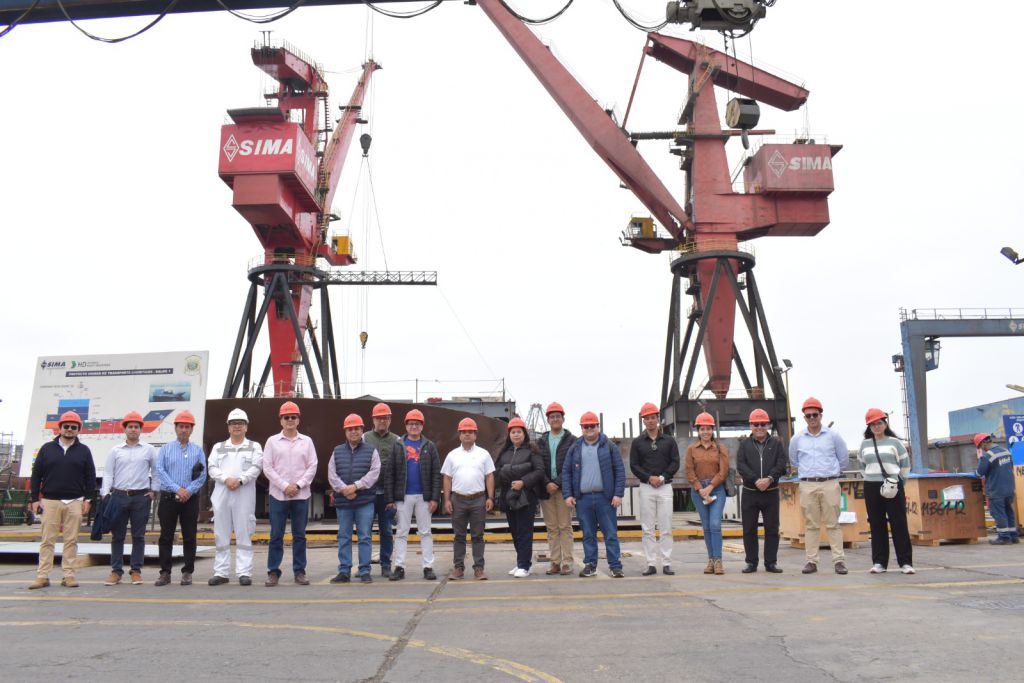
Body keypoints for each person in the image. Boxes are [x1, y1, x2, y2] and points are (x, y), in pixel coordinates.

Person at [28, 411, 96, 589]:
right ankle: (43, 576)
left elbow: (90, 476)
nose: (69, 429)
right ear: (60, 428)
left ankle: (68, 575)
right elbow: (36, 475)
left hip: (74, 501)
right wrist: (34, 498)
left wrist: (88, 499)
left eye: (74, 427)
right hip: (50, 501)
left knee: (71, 540)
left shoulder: (84, 451)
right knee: (47, 540)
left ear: (78, 430)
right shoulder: (47, 449)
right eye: (66, 426)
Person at [789, 397, 850, 575]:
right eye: (808, 415)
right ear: (804, 418)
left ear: (821, 415)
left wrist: (830, 472)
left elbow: (843, 459)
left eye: (815, 414)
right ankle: (811, 561)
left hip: (830, 482)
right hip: (808, 484)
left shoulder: (833, 436)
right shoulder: (797, 439)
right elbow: (794, 460)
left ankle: (839, 561)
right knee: (811, 524)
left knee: (833, 524)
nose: (812, 418)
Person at [562, 411, 625, 578]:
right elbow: (566, 472)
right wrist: (568, 495)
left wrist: (618, 494)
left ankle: (615, 566)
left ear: (598, 427)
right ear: (581, 428)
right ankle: (590, 565)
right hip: (583, 499)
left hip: (606, 498)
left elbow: (619, 470)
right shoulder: (575, 448)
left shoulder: (609, 446)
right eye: (586, 426)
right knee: (588, 534)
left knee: (610, 533)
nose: (589, 429)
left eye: (592, 426)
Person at [262, 401, 318, 586]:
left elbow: (312, 466)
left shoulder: (307, 442)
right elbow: (267, 467)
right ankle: (273, 571)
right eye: (286, 417)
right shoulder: (272, 441)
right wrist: (285, 486)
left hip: (301, 496)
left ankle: (299, 571)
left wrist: (298, 485)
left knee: (299, 535)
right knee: (276, 535)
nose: (290, 420)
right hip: (278, 495)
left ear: (298, 420)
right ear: (281, 420)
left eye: (293, 417)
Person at [207, 408, 264, 586]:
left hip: (243, 494)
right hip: (222, 494)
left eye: (240, 423)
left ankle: (244, 572)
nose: (237, 426)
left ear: (246, 426)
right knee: (221, 534)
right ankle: (221, 572)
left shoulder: (254, 446)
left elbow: (257, 467)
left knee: (244, 532)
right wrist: (226, 479)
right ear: (228, 427)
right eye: (233, 423)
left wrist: (240, 480)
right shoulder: (218, 447)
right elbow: (212, 467)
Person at [100, 411, 157, 586]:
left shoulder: (149, 450)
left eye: (136, 427)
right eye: (130, 426)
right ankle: (116, 571)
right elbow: (108, 473)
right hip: (119, 496)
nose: (133, 429)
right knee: (117, 536)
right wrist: (105, 493)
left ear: (141, 430)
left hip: (141, 497)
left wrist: (154, 491)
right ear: (125, 429)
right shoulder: (115, 451)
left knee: (138, 536)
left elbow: (156, 472)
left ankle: (136, 571)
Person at [383, 409, 441, 581]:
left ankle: (428, 567)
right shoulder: (398, 445)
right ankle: (399, 567)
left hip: (424, 497)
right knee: (401, 532)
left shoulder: (429, 446)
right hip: (403, 497)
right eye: (411, 423)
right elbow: (389, 473)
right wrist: (390, 499)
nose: (414, 426)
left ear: (422, 426)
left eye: (417, 423)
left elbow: (436, 474)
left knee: (425, 532)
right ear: (406, 426)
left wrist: (435, 498)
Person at [858, 409, 914, 574]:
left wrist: (899, 481)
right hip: (871, 486)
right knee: (876, 524)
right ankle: (879, 562)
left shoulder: (895, 443)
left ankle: (905, 562)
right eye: (873, 424)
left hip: (893, 484)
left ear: (885, 423)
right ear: (869, 427)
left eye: (879, 423)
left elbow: (905, 464)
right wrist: (871, 478)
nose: (877, 426)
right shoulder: (865, 444)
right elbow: (862, 465)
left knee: (899, 523)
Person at [154, 410, 206, 586]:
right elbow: (160, 471)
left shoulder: (198, 451)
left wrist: (188, 491)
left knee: (190, 536)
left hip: (190, 500)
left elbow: (202, 474)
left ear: (192, 429)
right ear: (175, 428)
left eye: (187, 427)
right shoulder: (165, 449)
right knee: (166, 536)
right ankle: (165, 572)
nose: (184, 430)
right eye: (181, 426)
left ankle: (187, 572)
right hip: (168, 498)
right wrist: (177, 489)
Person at [328, 413, 381, 584]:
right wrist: (345, 490)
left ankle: (364, 570)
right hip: (344, 502)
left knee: (364, 536)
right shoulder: (337, 451)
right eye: (350, 429)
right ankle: (344, 571)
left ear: (362, 430)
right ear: (345, 431)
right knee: (344, 537)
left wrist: (356, 486)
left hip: (364, 502)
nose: (353, 432)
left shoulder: (371, 451)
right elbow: (332, 474)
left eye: (356, 428)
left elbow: (374, 473)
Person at [629, 402, 680, 576]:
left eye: (653, 417)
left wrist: (662, 477)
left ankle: (666, 563)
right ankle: (651, 563)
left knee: (666, 526)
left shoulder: (669, 441)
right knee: (648, 528)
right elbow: (634, 465)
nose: (650, 421)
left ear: (658, 418)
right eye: (647, 418)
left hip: (665, 487)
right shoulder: (637, 442)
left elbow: (675, 462)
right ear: (643, 421)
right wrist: (648, 478)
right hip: (646, 487)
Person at [442, 417, 495, 580]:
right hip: (458, 500)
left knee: (478, 535)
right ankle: (458, 568)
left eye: (470, 432)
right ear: (459, 435)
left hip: (478, 499)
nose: (467, 434)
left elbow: (489, 476)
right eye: (464, 432)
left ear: (475, 435)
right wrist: (447, 500)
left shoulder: (484, 454)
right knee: (459, 535)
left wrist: (490, 497)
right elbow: (447, 478)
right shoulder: (452, 455)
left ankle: (479, 568)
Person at [737, 408, 788, 574]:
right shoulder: (744, 445)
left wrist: (769, 479)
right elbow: (741, 465)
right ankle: (751, 562)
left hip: (771, 492)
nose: (759, 427)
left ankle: (771, 563)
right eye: (756, 424)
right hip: (750, 492)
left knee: (772, 529)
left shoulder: (776, 444)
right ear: (750, 426)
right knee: (749, 529)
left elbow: (781, 464)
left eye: (762, 424)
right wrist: (755, 480)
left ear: (768, 425)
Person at [494, 417, 544, 578]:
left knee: (524, 531)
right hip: (509, 496)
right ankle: (521, 562)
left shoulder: (532, 451)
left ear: (524, 434)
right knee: (515, 531)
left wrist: (523, 481)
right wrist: (520, 470)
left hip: (526, 496)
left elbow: (539, 471)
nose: (516, 435)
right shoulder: (504, 452)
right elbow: (497, 472)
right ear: (509, 435)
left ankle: (524, 565)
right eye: (513, 432)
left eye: (519, 432)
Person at [685, 412, 730, 575]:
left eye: (708, 429)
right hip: (698, 491)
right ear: (698, 430)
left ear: (713, 430)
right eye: (702, 429)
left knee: (715, 524)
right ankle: (711, 560)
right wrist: (700, 489)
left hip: (716, 489)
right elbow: (689, 471)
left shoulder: (720, 448)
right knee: (706, 526)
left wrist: (710, 487)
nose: (705, 432)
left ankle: (718, 560)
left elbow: (723, 471)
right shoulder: (691, 449)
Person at [536, 402, 577, 575]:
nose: (555, 419)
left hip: (564, 489)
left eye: (558, 416)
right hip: (546, 489)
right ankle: (555, 562)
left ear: (563, 419)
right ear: (548, 420)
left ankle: (567, 562)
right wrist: (547, 483)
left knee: (565, 526)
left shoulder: (572, 440)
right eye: (552, 417)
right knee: (552, 527)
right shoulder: (541, 441)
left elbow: (572, 464)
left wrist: (557, 483)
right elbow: (538, 464)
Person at [363, 402, 403, 578]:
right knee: (365, 530)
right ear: (373, 419)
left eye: (385, 418)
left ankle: (386, 564)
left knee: (386, 530)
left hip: (387, 495)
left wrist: (396, 495)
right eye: (379, 418)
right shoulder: (364, 438)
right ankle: (364, 566)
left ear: (390, 420)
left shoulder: (397, 440)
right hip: (368, 492)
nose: (382, 421)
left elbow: (400, 468)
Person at [976, 433, 1019, 545]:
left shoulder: (987, 456)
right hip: (1009, 488)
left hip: (996, 490)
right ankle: (1013, 536)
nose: (982, 449)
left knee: (999, 513)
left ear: (983, 443)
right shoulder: (1006, 451)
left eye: (980, 446)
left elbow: (979, 473)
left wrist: (980, 459)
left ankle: (1004, 537)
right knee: (1009, 512)